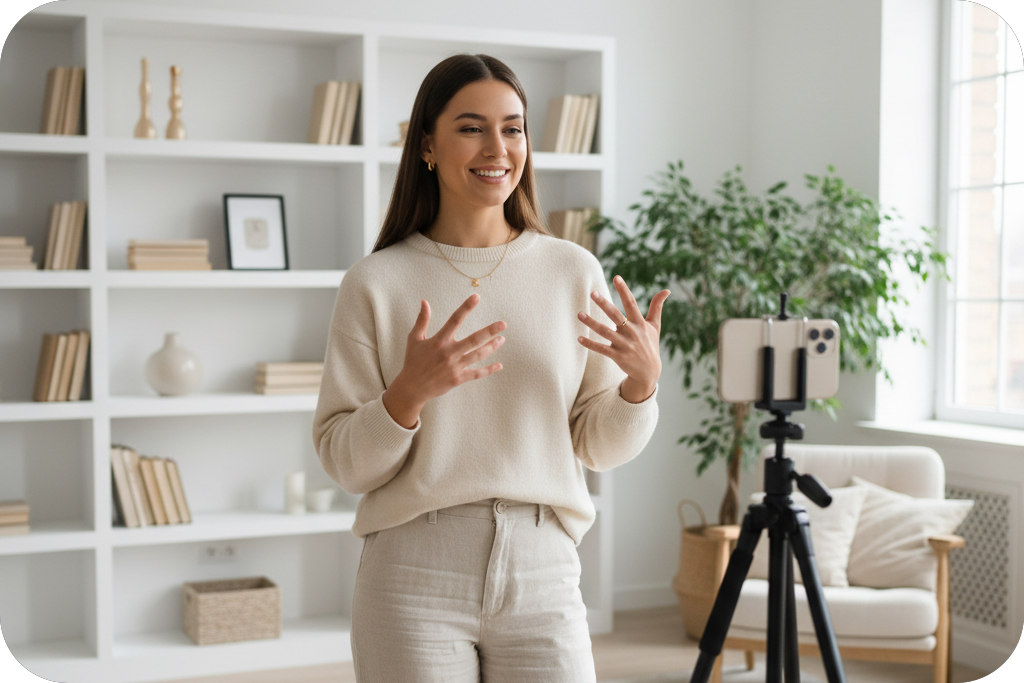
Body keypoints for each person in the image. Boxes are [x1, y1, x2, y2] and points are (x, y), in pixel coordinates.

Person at [313, 53, 670, 683]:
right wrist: (407, 396)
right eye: (472, 127)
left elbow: (596, 444)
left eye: (514, 128)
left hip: (544, 569)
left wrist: (640, 388)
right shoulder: (375, 282)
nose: (498, 147)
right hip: (411, 572)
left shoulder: (571, 271)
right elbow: (345, 461)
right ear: (427, 144)